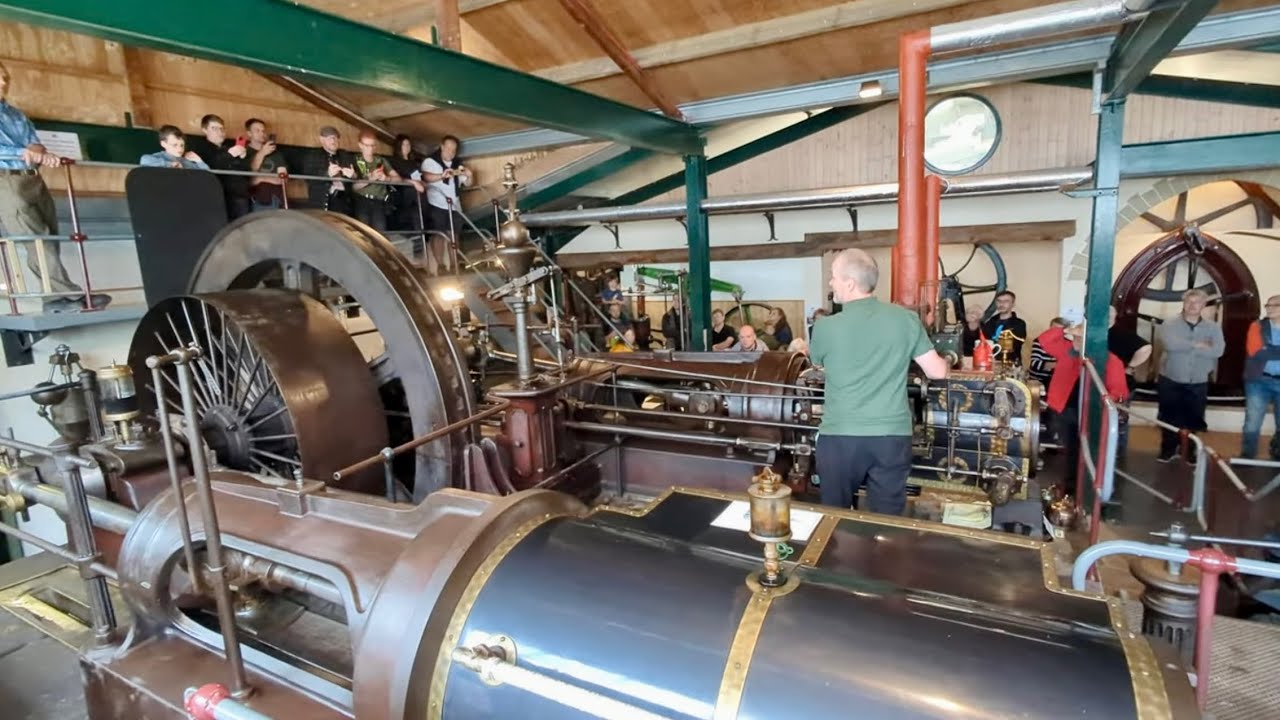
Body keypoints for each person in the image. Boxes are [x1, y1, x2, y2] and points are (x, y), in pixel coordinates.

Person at [811, 248, 949, 515]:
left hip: (840, 436)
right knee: (887, 520)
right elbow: (937, 372)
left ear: (849, 283)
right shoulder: (906, 320)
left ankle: (837, 555)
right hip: (891, 437)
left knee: (833, 516)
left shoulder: (825, 327)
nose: (831, 283)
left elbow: (817, 365)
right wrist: (950, 363)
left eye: (833, 277)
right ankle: (885, 553)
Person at [0, 61, 110, 312]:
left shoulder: (16, 114)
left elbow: (35, 144)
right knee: (36, 239)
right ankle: (70, 297)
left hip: (33, 178)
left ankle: (54, 298)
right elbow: (25, 149)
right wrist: (24, 152)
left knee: (50, 234)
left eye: (5, 77)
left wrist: (36, 152)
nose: (4, 82)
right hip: (5, 180)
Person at [1036, 318, 1130, 495]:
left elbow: (1119, 391)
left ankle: (1088, 489)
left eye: (1082, 338)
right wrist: (1070, 329)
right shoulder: (1067, 350)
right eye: (1077, 338)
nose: (1077, 342)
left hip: (1092, 412)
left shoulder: (1110, 360)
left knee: (1088, 451)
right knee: (1071, 450)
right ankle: (1072, 488)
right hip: (1065, 410)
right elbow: (1045, 340)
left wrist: (1107, 402)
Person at [1156, 289, 1224, 463]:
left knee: (1194, 418)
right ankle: (1168, 450)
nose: (1193, 305)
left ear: (1203, 305)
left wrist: (1185, 345)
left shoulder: (1213, 327)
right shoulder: (1169, 324)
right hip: (1171, 378)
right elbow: (1171, 345)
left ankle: (1190, 451)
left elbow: (1218, 350)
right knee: (1168, 416)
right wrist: (1199, 344)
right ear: (1183, 303)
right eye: (1189, 302)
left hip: (1198, 380)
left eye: (1197, 302)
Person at [421, 135, 472, 273]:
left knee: (454, 235)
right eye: (448, 149)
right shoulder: (430, 161)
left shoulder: (458, 164)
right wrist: (442, 176)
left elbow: (467, 183)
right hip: (436, 203)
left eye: (453, 150)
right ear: (442, 147)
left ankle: (455, 265)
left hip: (454, 204)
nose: (450, 152)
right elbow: (426, 177)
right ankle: (441, 265)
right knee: (439, 234)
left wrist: (469, 175)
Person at [1107, 306, 1152, 461]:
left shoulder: (1122, 334)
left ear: (1113, 316)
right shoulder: (1093, 333)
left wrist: (1130, 366)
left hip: (1122, 385)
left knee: (1119, 422)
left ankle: (1118, 455)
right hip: (1101, 384)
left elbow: (1146, 348)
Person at [351, 131, 419, 232]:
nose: (370, 148)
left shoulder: (381, 161)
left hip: (379, 201)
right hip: (361, 201)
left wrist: (386, 179)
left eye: (372, 145)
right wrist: (371, 179)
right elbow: (354, 186)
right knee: (362, 234)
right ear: (360, 145)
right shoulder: (354, 160)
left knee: (380, 234)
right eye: (367, 145)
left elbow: (398, 179)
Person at [187, 114, 251, 219]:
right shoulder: (200, 149)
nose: (219, 132)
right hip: (218, 198)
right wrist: (229, 155)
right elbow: (208, 169)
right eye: (214, 128)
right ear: (205, 130)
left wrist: (243, 157)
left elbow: (248, 172)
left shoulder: (231, 148)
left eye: (221, 128)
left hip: (241, 197)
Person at [1242, 295, 1280, 459]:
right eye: (1268, 305)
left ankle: (1278, 454)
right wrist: (1267, 351)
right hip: (1259, 381)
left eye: (1275, 305)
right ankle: (1247, 456)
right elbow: (1255, 352)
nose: (1269, 308)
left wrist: (1268, 349)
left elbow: (1265, 351)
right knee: (1252, 422)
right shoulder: (1256, 326)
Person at [300, 126, 354, 215]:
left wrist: (352, 175)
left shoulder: (344, 155)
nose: (333, 140)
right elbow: (308, 177)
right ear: (322, 140)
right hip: (323, 201)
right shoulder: (313, 155)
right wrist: (327, 174)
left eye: (335, 138)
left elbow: (356, 176)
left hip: (344, 201)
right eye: (329, 138)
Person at [388, 134, 425, 255]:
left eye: (408, 144)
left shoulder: (413, 162)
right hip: (403, 195)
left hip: (417, 197)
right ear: (399, 146)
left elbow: (420, 177)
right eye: (404, 144)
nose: (407, 147)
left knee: (418, 219)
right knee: (412, 220)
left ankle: (420, 247)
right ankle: (417, 246)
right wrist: (413, 183)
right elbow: (397, 179)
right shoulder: (394, 161)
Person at [245, 118, 287, 210]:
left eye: (263, 131)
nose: (262, 133)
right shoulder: (243, 152)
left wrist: (261, 178)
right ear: (249, 133)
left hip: (278, 198)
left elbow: (283, 179)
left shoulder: (276, 154)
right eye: (257, 131)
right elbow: (249, 176)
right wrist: (262, 153)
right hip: (255, 199)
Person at [981, 291, 1027, 366]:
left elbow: (1015, 343)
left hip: (1011, 364)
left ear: (1013, 304)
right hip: (990, 363)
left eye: (1006, 301)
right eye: (999, 301)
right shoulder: (989, 323)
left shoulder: (1019, 324)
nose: (1001, 304)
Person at [139, 125, 210, 169]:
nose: (180, 149)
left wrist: (199, 161)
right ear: (164, 144)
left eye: (182, 145)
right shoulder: (158, 157)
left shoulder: (185, 162)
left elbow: (207, 174)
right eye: (174, 145)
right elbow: (144, 160)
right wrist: (171, 165)